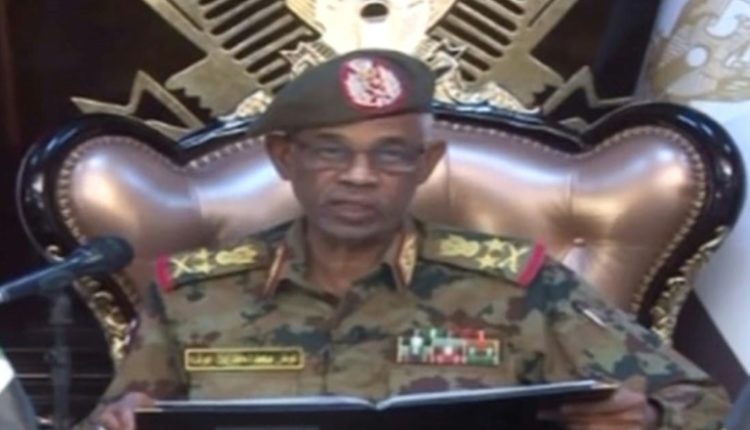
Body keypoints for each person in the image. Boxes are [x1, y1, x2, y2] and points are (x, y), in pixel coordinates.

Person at [90, 49, 729, 430]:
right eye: (330, 151)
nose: (359, 176)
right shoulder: (194, 295)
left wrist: (650, 417)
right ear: (285, 157)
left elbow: (698, 402)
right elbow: (112, 418)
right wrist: (114, 420)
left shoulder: (521, 285)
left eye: (392, 154)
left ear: (425, 165)